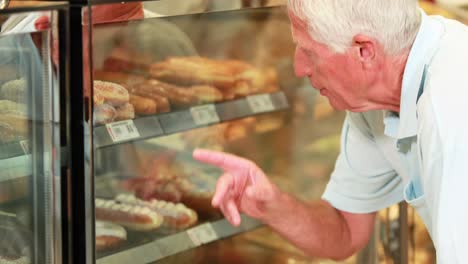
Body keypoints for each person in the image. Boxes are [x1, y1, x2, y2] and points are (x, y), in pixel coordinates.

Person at [193, 0, 468, 262]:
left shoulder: (450, 109)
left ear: (364, 51)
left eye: (309, 52)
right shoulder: (374, 101)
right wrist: (272, 205)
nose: (299, 69)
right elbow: (345, 231)